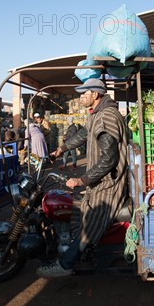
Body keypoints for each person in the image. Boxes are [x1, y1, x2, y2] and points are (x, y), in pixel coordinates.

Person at [37, 78, 129, 278]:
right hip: (101, 181)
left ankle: (65, 264)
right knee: (80, 209)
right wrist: (61, 149)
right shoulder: (96, 115)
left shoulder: (107, 117)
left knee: (92, 223)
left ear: (95, 95)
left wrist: (81, 180)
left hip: (109, 184)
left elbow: (109, 159)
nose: (80, 97)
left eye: (83, 93)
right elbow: (83, 136)